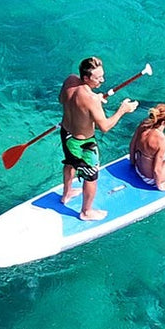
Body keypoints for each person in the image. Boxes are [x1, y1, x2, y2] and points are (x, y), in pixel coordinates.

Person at [59, 56, 138, 219]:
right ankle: (86, 211)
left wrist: (88, 106)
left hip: (66, 133)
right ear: (86, 78)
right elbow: (105, 127)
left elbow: (62, 100)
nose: (103, 80)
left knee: (70, 164)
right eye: (98, 78)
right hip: (83, 144)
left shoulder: (70, 80)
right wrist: (123, 110)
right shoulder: (92, 100)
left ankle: (66, 195)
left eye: (102, 75)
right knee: (91, 176)